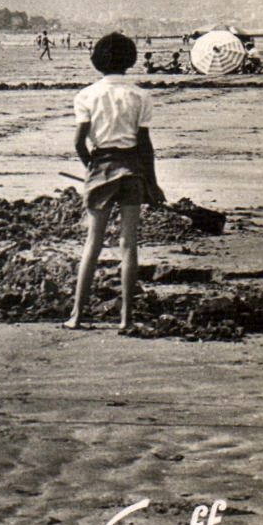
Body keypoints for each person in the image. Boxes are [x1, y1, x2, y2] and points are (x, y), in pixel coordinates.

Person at [66, 32, 162, 331]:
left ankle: (77, 315)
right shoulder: (140, 96)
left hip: (101, 166)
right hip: (132, 168)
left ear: (97, 60)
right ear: (130, 60)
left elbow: (79, 143)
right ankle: (126, 319)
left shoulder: (86, 95)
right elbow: (145, 145)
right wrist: (153, 183)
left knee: (93, 243)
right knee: (129, 245)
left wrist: (91, 169)